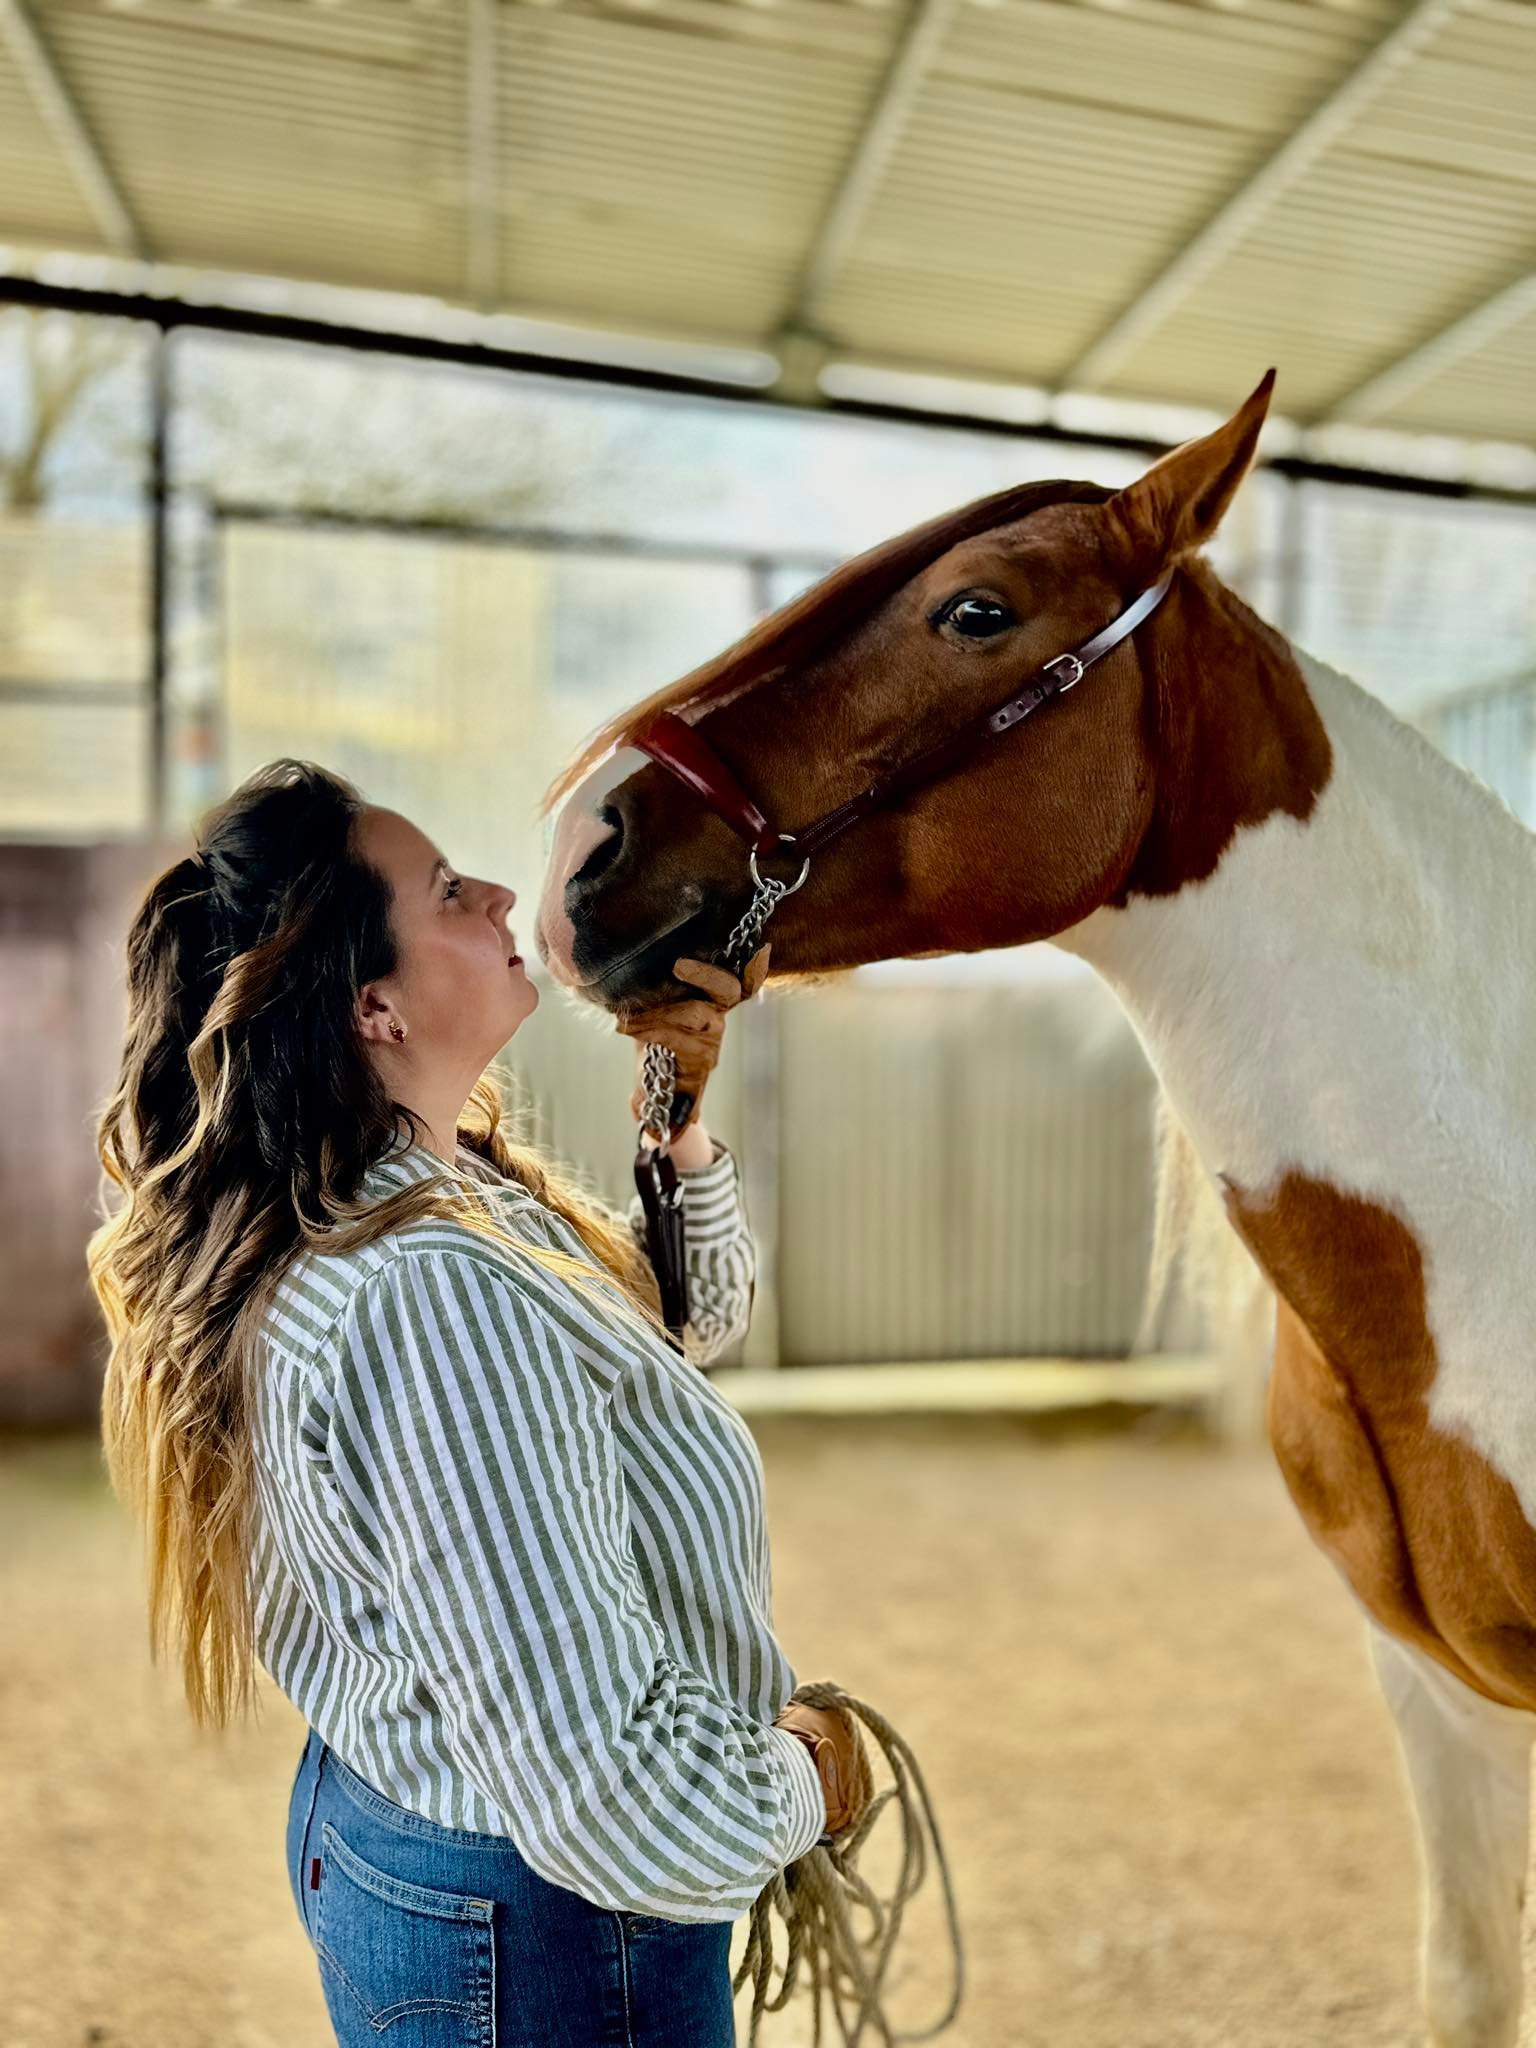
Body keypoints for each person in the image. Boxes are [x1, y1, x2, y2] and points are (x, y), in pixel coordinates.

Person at [88, 757, 863, 2048]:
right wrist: (808, 1775)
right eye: (448, 890)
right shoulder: (430, 1296)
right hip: (558, 1937)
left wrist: (674, 1122)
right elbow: (615, 1793)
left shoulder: (405, 1192)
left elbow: (673, 1334)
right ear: (374, 1006)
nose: (505, 893)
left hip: (416, 1844)